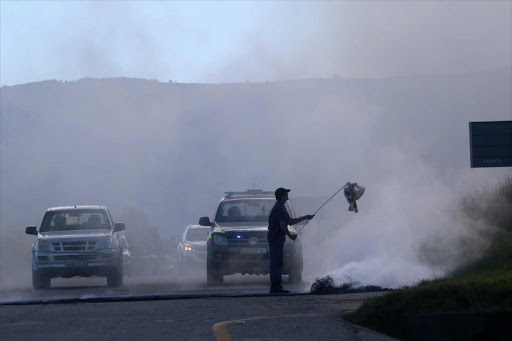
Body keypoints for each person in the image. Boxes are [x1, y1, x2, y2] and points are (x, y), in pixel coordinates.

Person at [267, 187, 314, 293]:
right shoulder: (279, 208)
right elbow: (283, 225)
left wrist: (305, 217)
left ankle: (277, 285)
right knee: (275, 261)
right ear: (282, 196)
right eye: (286, 194)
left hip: (278, 236)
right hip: (276, 236)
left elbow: (290, 221)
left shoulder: (281, 207)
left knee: (278, 261)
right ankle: (275, 286)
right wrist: (290, 236)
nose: (288, 196)